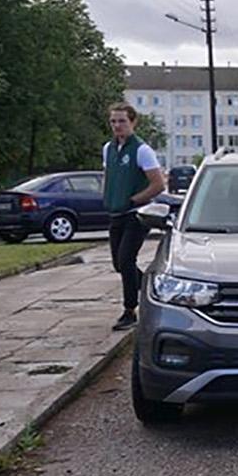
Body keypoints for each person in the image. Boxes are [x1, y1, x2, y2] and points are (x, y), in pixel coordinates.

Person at [102, 102, 165, 331]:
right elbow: (109, 175)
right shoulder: (109, 148)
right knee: (119, 264)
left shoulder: (141, 150)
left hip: (136, 215)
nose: (117, 125)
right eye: (113, 121)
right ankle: (151, 288)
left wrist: (135, 200)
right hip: (115, 212)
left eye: (122, 121)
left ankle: (130, 311)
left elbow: (158, 184)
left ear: (133, 122)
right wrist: (109, 197)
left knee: (127, 259)